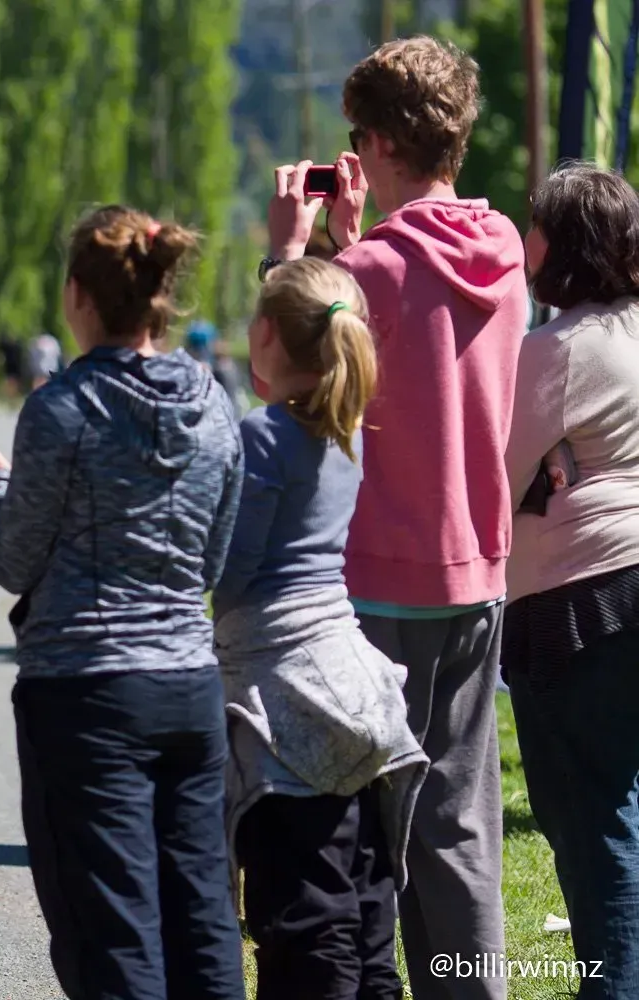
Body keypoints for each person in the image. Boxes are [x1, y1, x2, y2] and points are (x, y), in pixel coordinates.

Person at [266, 36, 526, 999]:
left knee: (368, 831)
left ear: (373, 142)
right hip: (477, 573)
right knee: (460, 816)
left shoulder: (363, 274)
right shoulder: (502, 254)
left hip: (378, 580)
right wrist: (350, 246)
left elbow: (286, 378)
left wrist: (291, 255)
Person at [0, 205, 245, 998]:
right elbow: (211, 558)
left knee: (113, 938)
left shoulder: (62, 409)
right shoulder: (215, 406)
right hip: (189, 690)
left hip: (86, 696)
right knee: (204, 921)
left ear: (77, 295)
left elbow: (15, 559)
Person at [214, 257, 428, 1000]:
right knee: (366, 899)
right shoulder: (346, 429)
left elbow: (233, 572)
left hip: (288, 702)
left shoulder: (262, 435)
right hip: (356, 684)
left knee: (306, 918)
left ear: (265, 336)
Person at [502, 164, 639, 999]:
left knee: (592, 825)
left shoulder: (553, 350)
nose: (524, 241)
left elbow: (491, 475)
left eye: (535, 224)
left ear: (563, 245)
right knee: (623, 802)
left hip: (581, 599)